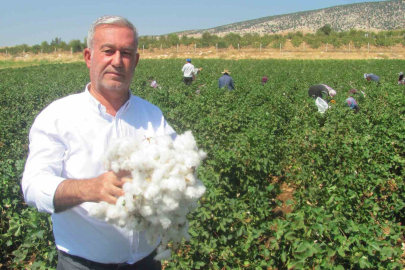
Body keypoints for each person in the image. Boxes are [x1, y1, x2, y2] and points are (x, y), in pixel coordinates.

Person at [22, 15, 175, 270]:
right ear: (88, 57)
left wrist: (180, 174)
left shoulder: (152, 115)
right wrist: (91, 189)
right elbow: (33, 186)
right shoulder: (58, 116)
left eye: (126, 53)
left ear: (135, 61)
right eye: (108, 51)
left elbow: (176, 160)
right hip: (83, 264)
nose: (117, 61)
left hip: (146, 262)